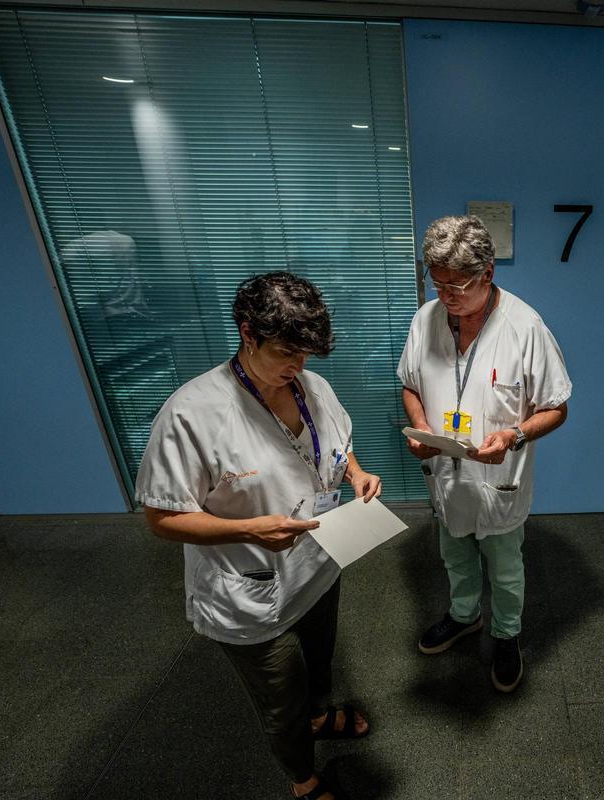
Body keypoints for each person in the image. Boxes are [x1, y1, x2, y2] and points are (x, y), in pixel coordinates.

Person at [136, 271, 381, 800]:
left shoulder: (311, 385)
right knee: (280, 696)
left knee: (319, 662)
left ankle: (319, 717)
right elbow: (161, 518)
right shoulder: (192, 415)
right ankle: (304, 780)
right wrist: (248, 528)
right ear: (247, 333)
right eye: (286, 354)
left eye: (307, 355)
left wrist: (356, 473)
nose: (298, 368)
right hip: (251, 591)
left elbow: (336, 444)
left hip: (319, 562)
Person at [398, 215, 571, 693]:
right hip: (445, 475)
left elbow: (556, 408)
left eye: (458, 286)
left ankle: (507, 635)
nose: (446, 297)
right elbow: (411, 384)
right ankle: (464, 616)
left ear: (488, 273)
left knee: (506, 567)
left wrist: (514, 435)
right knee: (454, 554)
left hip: (500, 479)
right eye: (438, 284)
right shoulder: (426, 319)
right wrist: (423, 427)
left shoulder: (525, 326)